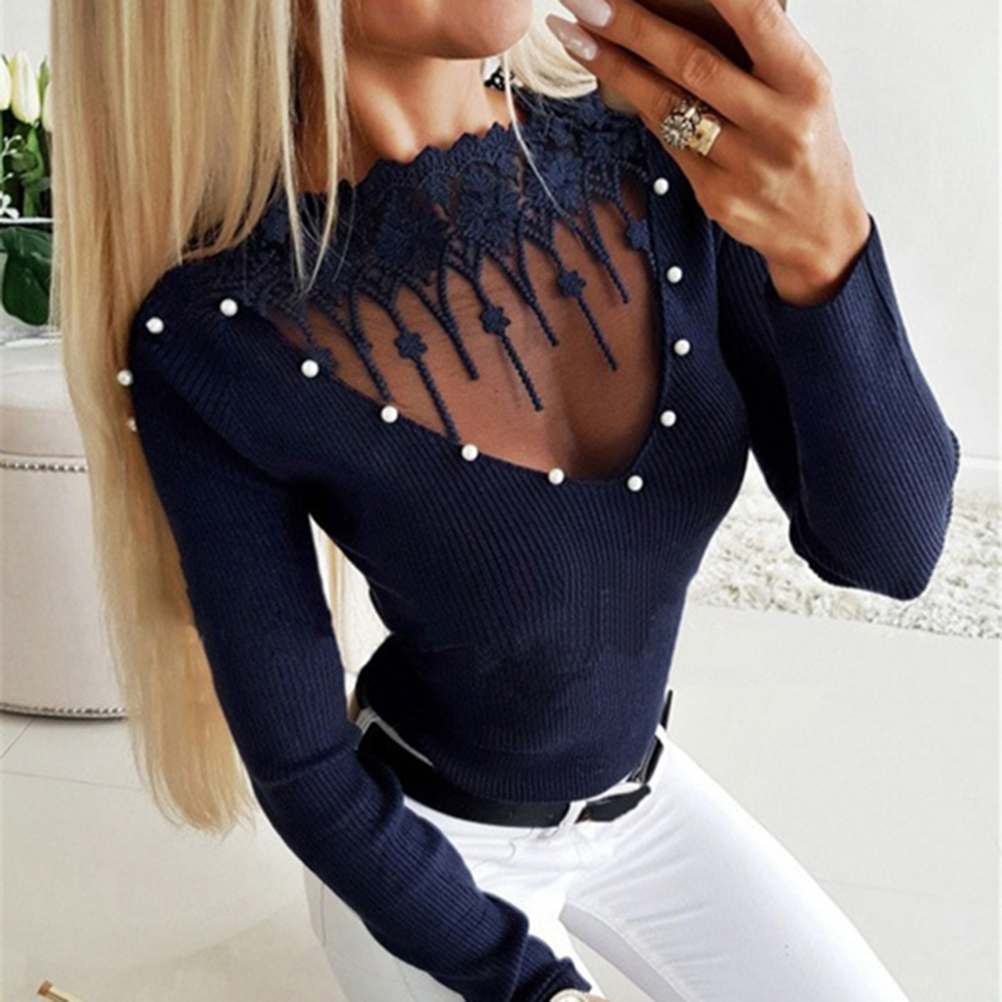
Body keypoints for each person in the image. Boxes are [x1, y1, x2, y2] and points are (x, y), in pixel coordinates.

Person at [50, 0, 959, 1000]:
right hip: (426, 860)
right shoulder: (219, 331)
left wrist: (827, 245)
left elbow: (890, 552)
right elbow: (308, 774)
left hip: (645, 799)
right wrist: (532, 986)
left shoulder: (662, 146)